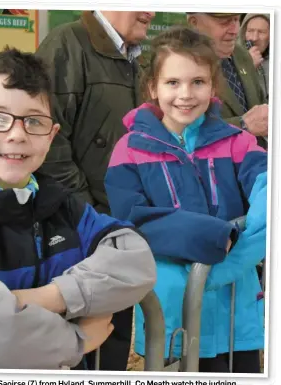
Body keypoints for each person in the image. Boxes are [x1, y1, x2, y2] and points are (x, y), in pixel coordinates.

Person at [0, 47, 157, 370]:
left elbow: (135, 260)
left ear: (52, 134)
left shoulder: (61, 204)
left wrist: (46, 297)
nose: (17, 134)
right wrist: (78, 339)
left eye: (34, 121)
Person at [105, 26, 266, 373]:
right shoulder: (129, 151)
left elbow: (272, 198)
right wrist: (216, 236)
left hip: (235, 316)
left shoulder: (237, 143)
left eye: (198, 82)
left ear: (213, 86)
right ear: (153, 88)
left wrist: (224, 268)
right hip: (171, 319)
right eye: (172, 82)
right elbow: (134, 221)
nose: (186, 94)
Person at [35, 10, 155, 370]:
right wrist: (88, 215)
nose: (151, 10)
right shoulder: (67, 44)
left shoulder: (136, 57)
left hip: (117, 227)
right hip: (80, 231)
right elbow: (49, 143)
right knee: (81, 346)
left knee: (113, 340)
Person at [187, 12, 268, 149]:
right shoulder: (178, 65)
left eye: (236, 20)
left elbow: (260, 104)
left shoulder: (242, 55)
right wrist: (242, 125)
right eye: (224, 22)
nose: (235, 30)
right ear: (194, 23)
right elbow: (181, 133)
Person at [238, 13, 270, 101]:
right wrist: (248, 67)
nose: (254, 38)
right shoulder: (231, 59)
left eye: (261, 32)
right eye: (250, 31)